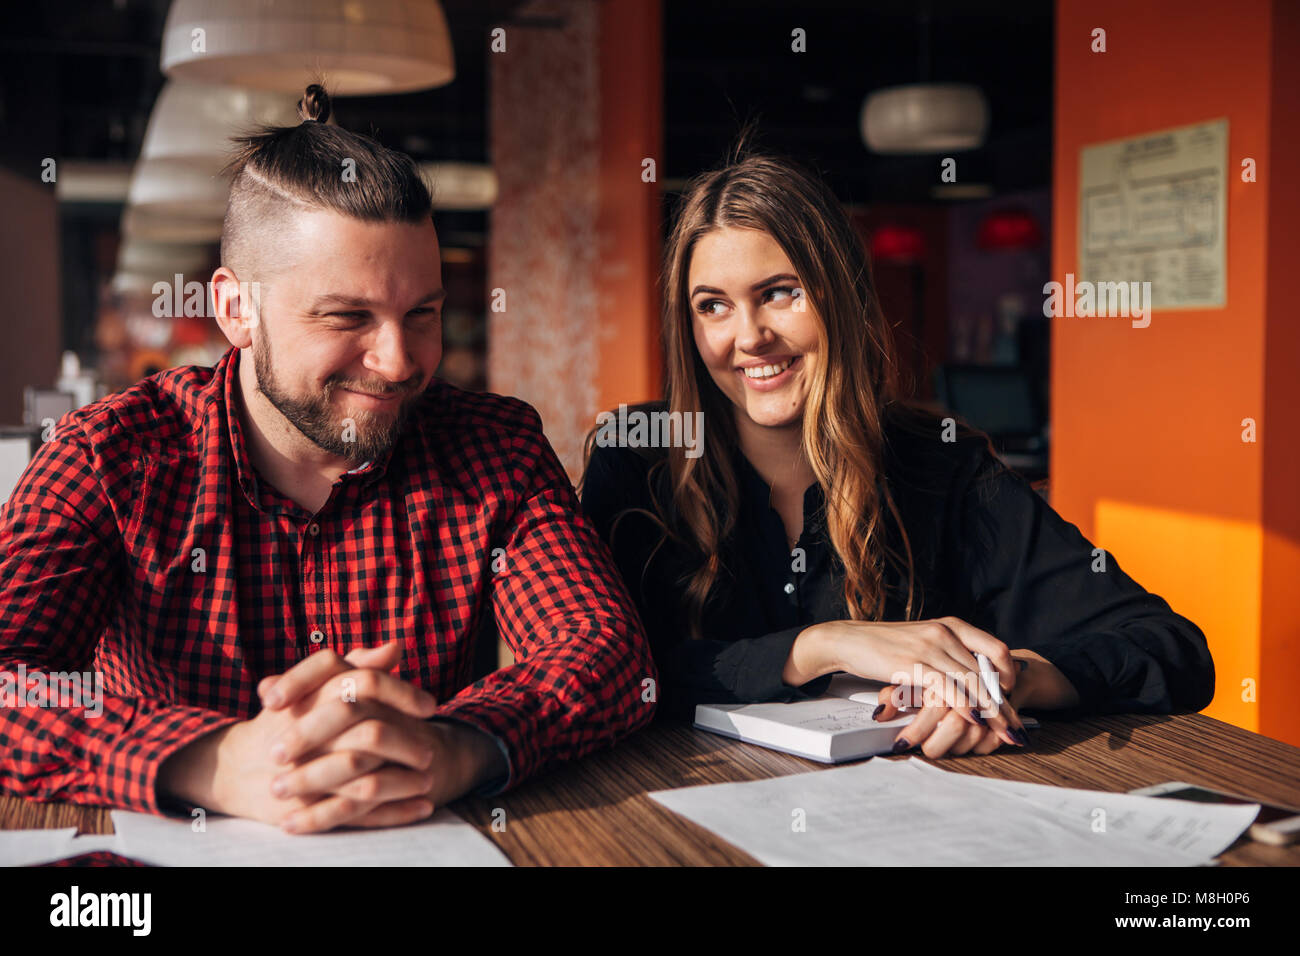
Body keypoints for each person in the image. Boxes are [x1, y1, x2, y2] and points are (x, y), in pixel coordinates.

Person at [0, 84, 656, 834]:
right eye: (349, 316)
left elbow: (606, 653)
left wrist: (456, 746)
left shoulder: (494, 448)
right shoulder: (109, 459)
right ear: (236, 309)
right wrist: (215, 759)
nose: (399, 360)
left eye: (424, 314)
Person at [580, 149, 1213, 759]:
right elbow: (599, 668)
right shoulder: (638, 457)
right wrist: (824, 646)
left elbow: (1173, 649)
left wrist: (1002, 679)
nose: (749, 336)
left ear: (840, 295)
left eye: (779, 292)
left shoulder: (942, 466)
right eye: (712, 306)